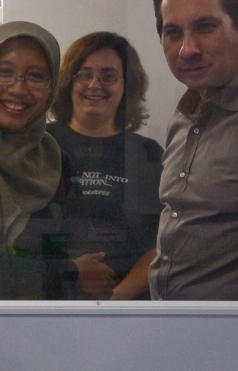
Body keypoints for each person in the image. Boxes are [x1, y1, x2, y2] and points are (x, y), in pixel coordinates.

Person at [0, 22, 83, 301]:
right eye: (4, 72)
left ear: (51, 88)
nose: (18, 89)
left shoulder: (56, 164)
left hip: (38, 330)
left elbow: (67, 255)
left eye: (35, 76)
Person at [149, 0, 238, 300]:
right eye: (173, 32)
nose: (187, 49)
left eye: (205, 27)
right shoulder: (185, 112)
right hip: (171, 328)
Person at [48, 32, 164, 301]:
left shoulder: (147, 153)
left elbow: (163, 241)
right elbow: (23, 234)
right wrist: (71, 271)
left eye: (108, 76)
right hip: (52, 302)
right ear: (68, 81)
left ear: (127, 85)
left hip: (128, 307)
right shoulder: (40, 145)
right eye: (84, 74)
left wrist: (115, 299)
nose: (94, 84)